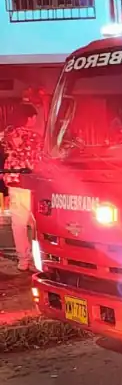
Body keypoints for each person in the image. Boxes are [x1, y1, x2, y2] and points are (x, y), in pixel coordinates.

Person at [2, 103, 43, 271]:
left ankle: (23, 261)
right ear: (29, 118)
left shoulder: (6, 135)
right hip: (32, 183)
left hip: (14, 182)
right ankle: (39, 260)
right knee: (37, 224)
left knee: (18, 224)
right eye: (34, 117)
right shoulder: (35, 137)